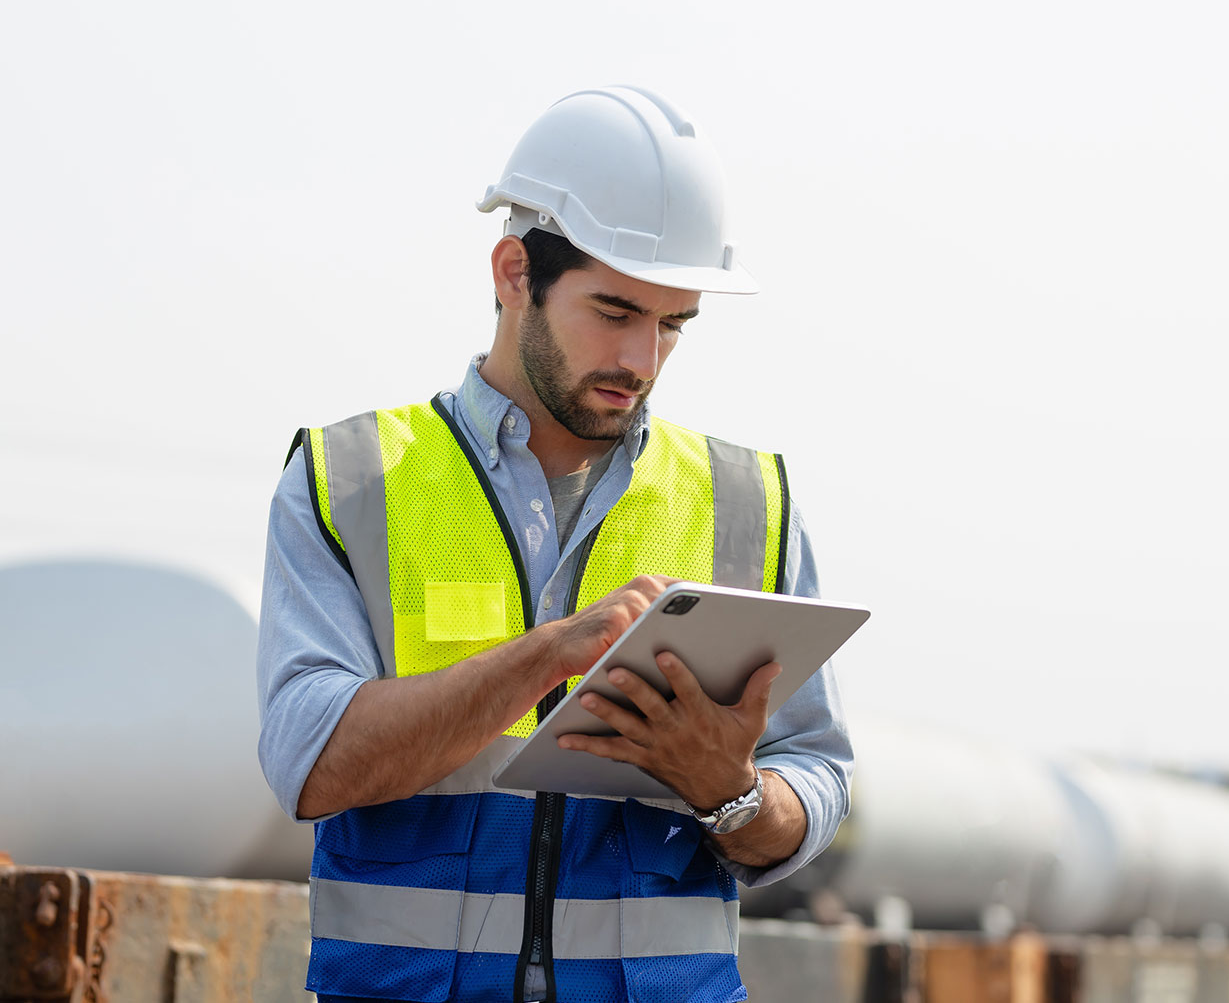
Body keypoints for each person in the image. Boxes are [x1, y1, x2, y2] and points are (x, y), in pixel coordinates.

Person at [256, 86, 851, 1002]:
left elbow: (814, 777)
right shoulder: (353, 479)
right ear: (512, 274)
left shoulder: (748, 502)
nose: (643, 360)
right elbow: (312, 761)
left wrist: (729, 791)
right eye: (614, 313)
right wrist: (551, 654)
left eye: (674, 324)